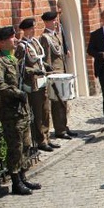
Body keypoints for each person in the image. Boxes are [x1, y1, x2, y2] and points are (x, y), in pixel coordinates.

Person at [0, 26, 41, 195]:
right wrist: (17, 93)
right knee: (15, 147)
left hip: (22, 111)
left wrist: (35, 70)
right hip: (11, 112)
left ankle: (24, 177)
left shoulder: (12, 59)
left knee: (26, 145)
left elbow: (20, 70)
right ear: (2, 41)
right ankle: (16, 182)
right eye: (11, 38)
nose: (15, 39)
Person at [16, 18, 57, 153]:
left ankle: (47, 136)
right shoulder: (22, 47)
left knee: (46, 111)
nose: (34, 30)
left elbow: (39, 60)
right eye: (31, 28)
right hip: (32, 84)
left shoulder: (34, 42)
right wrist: (34, 70)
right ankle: (40, 140)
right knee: (38, 113)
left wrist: (45, 65)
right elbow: (21, 67)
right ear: (26, 30)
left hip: (42, 81)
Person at [39, 11, 73, 141]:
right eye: (53, 20)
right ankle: (60, 129)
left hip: (62, 73)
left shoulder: (56, 35)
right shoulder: (45, 37)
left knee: (63, 102)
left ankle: (64, 126)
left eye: (56, 20)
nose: (56, 22)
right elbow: (47, 60)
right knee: (57, 103)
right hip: (54, 75)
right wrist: (49, 75)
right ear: (47, 22)